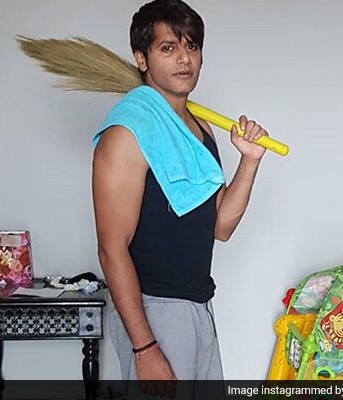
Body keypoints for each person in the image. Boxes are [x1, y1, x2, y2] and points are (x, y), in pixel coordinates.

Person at [91, 0, 269, 391]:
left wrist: (250, 161)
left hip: (198, 306)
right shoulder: (126, 134)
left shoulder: (200, 128)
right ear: (141, 58)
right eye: (168, 48)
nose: (184, 58)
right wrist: (145, 347)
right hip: (155, 310)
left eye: (191, 46)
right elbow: (111, 249)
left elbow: (220, 227)